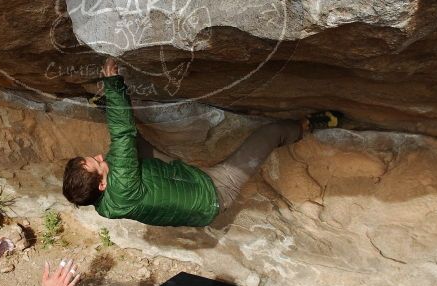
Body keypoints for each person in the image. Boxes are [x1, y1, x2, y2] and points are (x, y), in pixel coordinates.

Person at [62, 58, 340, 226]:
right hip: (213, 194)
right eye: (96, 163)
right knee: (269, 134)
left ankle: (106, 108)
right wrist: (113, 84)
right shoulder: (121, 183)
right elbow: (123, 134)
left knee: (132, 148)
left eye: (92, 157)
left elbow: (123, 149)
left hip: (179, 181)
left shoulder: (104, 204)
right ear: (102, 185)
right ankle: (305, 126)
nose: (100, 156)